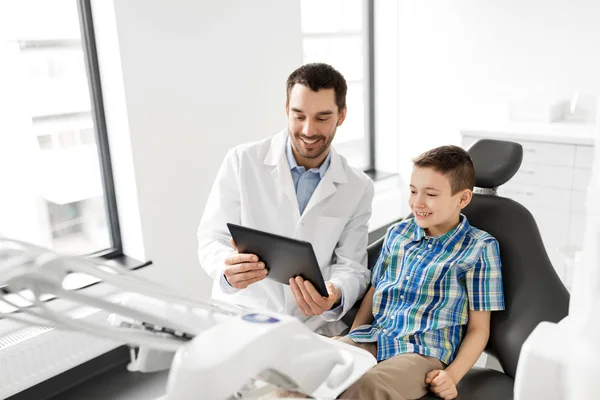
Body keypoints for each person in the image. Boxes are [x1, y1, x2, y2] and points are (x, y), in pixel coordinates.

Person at [197, 63, 374, 336]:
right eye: (298, 115)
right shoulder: (242, 161)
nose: (308, 130)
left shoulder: (358, 187)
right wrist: (227, 268)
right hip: (243, 313)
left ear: (342, 115)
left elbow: (353, 266)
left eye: (322, 118)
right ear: (286, 109)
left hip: (312, 325)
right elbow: (212, 237)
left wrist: (335, 293)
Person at [334, 145, 505, 400]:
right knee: (318, 365)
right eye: (413, 191)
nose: (418, 203)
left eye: (431, 194)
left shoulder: (480, 249)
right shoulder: (398, 234)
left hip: (424, 353)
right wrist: (353, 338)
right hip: (377, 336)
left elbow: (479, 329)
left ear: (462, 199)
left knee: (369, 385)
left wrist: (453, 376)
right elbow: (375, 290)